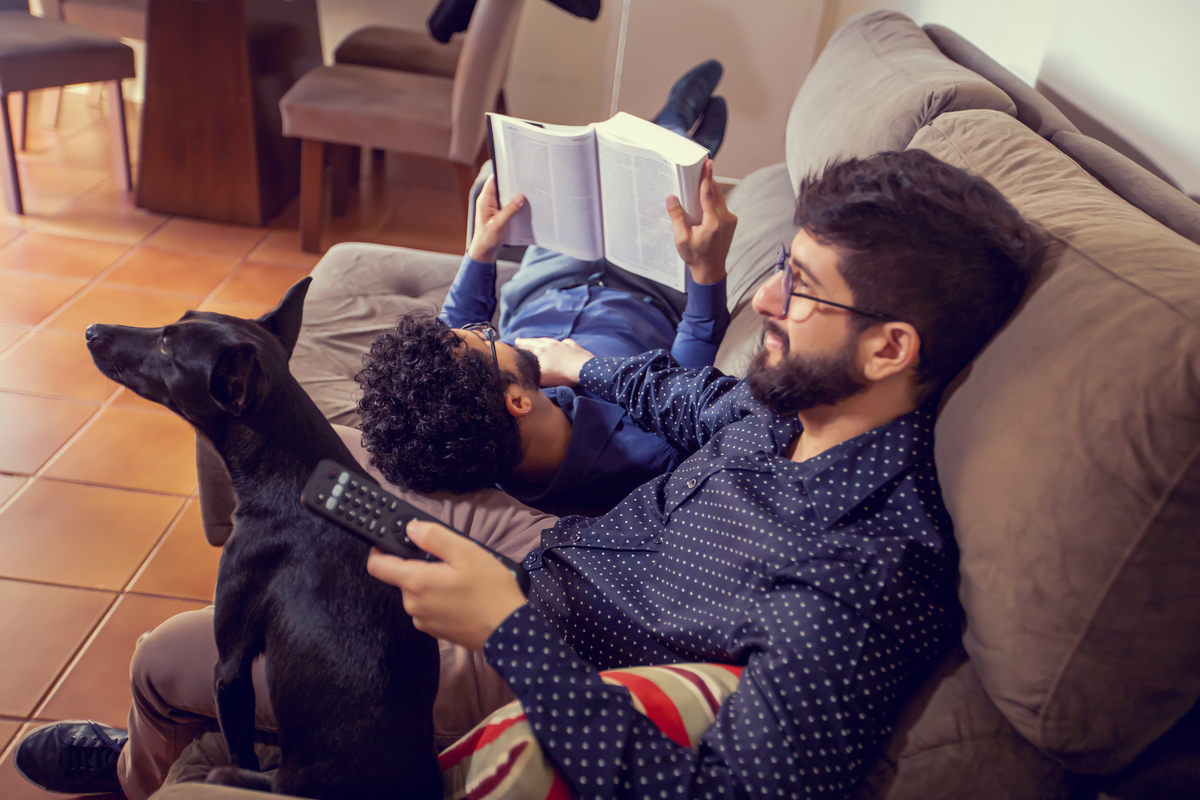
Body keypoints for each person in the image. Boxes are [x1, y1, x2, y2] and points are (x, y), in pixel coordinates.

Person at [14, 149, 1043, 800]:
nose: (767, 301)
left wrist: (501, 622)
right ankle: (160, 748)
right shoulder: (789, 410)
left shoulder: (861, 576)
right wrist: (577, 363)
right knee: (271, 538)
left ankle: (153, 769)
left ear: (890, 347)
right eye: (783, 270)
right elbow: (689, 397)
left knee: (169, 660)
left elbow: (714, 791)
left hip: (534, 649)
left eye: (801, 288)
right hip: (549, 566)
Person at [358, 60, 735, 516]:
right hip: (647, 292)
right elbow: (688, 372)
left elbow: (454, 346)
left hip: (547, 280)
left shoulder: (484, 418)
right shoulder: (644, 456)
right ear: (516, 400)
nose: (484, 328)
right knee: (664, 180)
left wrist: (480, 251)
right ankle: (680, 129)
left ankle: (676, 127)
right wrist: (707, 270)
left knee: (598, 168)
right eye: (488, 338)